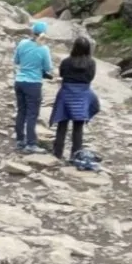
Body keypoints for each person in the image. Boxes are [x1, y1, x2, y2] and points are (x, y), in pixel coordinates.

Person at [50, 36, 100, 169]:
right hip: (82, 95)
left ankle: (57, 153)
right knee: (78, 128)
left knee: (62, 125)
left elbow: (62, 74)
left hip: (66, 94)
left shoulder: (66, 61)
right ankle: (75, 155)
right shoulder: (91, 63)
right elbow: (91, 77)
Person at [13, 20, 54, 155]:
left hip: (19, 81)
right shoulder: (43, 48)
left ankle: (20, 140)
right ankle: (31, 143)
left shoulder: (23, 43)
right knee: (32, 114)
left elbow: (16, 61)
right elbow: (48, 68)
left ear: (32, 31)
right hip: (33, 83)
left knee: (21, 111)